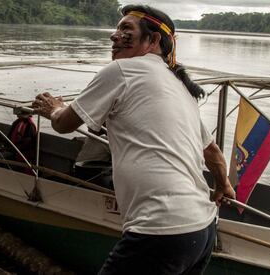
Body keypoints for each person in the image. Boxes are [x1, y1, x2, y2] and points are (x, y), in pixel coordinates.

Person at [33, 4, 236, 275]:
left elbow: (63, 124)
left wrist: (53, 107)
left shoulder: (121, 71)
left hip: (160, 230)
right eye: (117, 29)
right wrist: (223, 185)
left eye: (126, 29)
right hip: (203, 230)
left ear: (153, 41)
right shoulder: (179, 87)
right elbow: (213, 153)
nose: (114, 36)